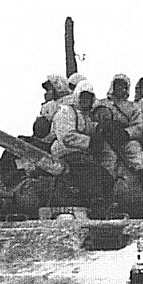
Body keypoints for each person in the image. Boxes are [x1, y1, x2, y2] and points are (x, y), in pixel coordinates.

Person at [49, 80, 115, 216]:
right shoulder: (66, 112)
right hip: (66, 154)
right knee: (91, 172)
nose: (86, 100)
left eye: (89, 98)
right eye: (83, 97)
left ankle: (104, 205)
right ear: (77, 96)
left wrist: (102, 128)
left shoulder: (87, 116)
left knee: (105, 176)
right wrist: (89, 142)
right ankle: (95, 203)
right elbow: (66, 137)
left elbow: (91, 129)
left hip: (83, 156)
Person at [93, 74, 143, 194]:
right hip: (106, 139)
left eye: (123, 85)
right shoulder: (102, 103)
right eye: (118, 85)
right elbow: (93, 120)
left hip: (124, 138)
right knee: (109, 158)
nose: (120, 88)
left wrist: (126, 133)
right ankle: (105, 188)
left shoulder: (133, 107)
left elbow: (139, 127)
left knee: (135, 150)